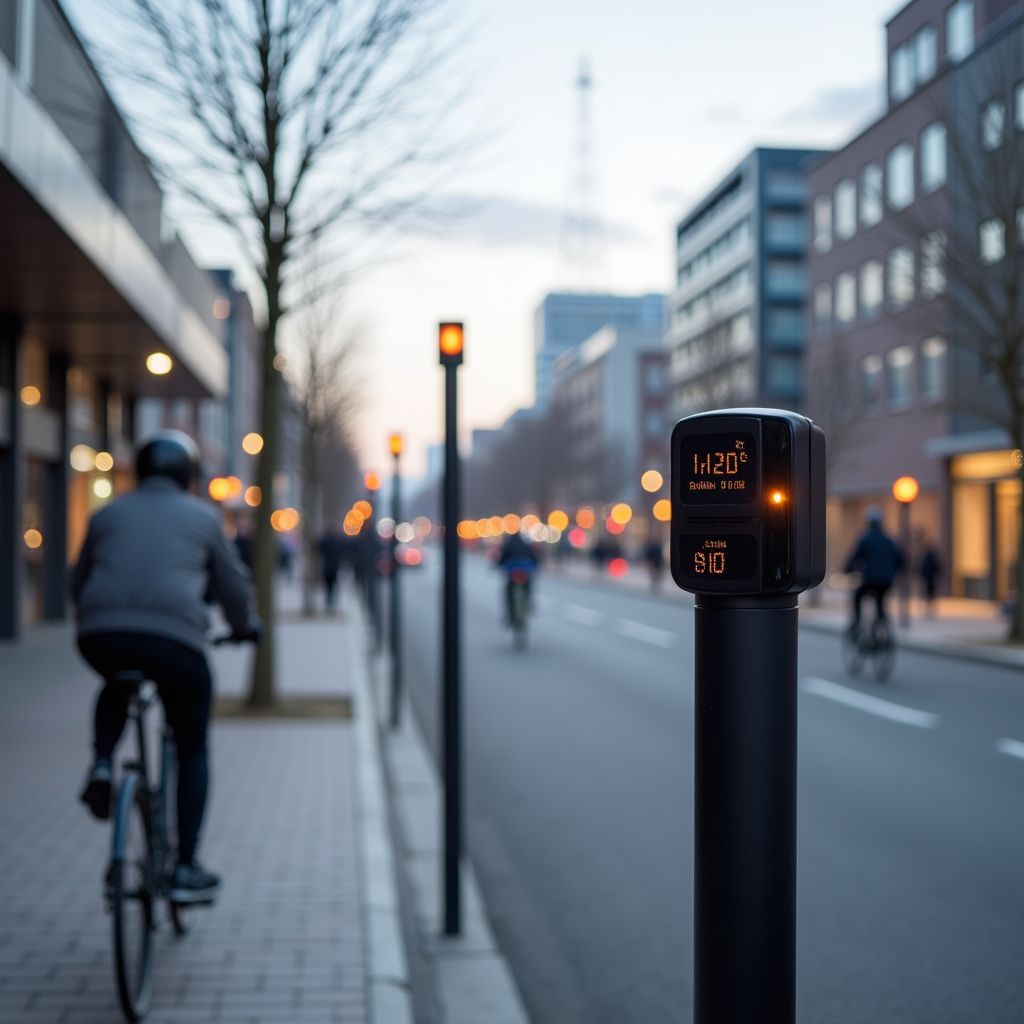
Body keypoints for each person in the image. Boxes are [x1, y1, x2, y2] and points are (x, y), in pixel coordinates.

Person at [71, 430, 259, 904]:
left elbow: (78, 581)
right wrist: (246, 626)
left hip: (101, 635)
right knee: (192, 746)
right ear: (189, 476)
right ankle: (185, 867)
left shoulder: (107, 513)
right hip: (176, 642)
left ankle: (100, 763)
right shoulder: (204, 517)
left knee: (117, 678)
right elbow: (234, 587)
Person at [844, 507, 905, 635]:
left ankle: (856, 622)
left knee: (858, 597)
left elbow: (855, 557)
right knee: (881, 602)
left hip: (870, 579)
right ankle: (881, 622)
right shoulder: (889, 540)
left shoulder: (865, 539)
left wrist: (847, 569)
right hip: (886, 581)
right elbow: (900, 560)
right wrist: (893, 572)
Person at [497, 530, 539, 625]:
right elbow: (533, 558)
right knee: (528, 588)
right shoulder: (525, 544)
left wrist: (499, 565)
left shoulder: (508, 545)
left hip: (512, 572)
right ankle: (529, 604)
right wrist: (535, 566)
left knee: (508, 592)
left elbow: (502, 559)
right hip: (525, 571)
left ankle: (510, 615)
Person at [318, 524, 345, 611]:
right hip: (334, 567)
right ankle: (331, 599)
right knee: (332, 585)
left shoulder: (325, 541)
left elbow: (319, 548)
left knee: (328, 585)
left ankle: (329, 600)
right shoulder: (337, 542)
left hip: (327, 567)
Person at [918, 535, 943, 617]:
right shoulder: (929, 556)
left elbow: (936, 566)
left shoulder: (929, 556)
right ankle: (929, 608)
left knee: (930, 593)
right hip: (929, 577)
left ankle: (930, 608)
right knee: (930, 593)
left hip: (930, 577)